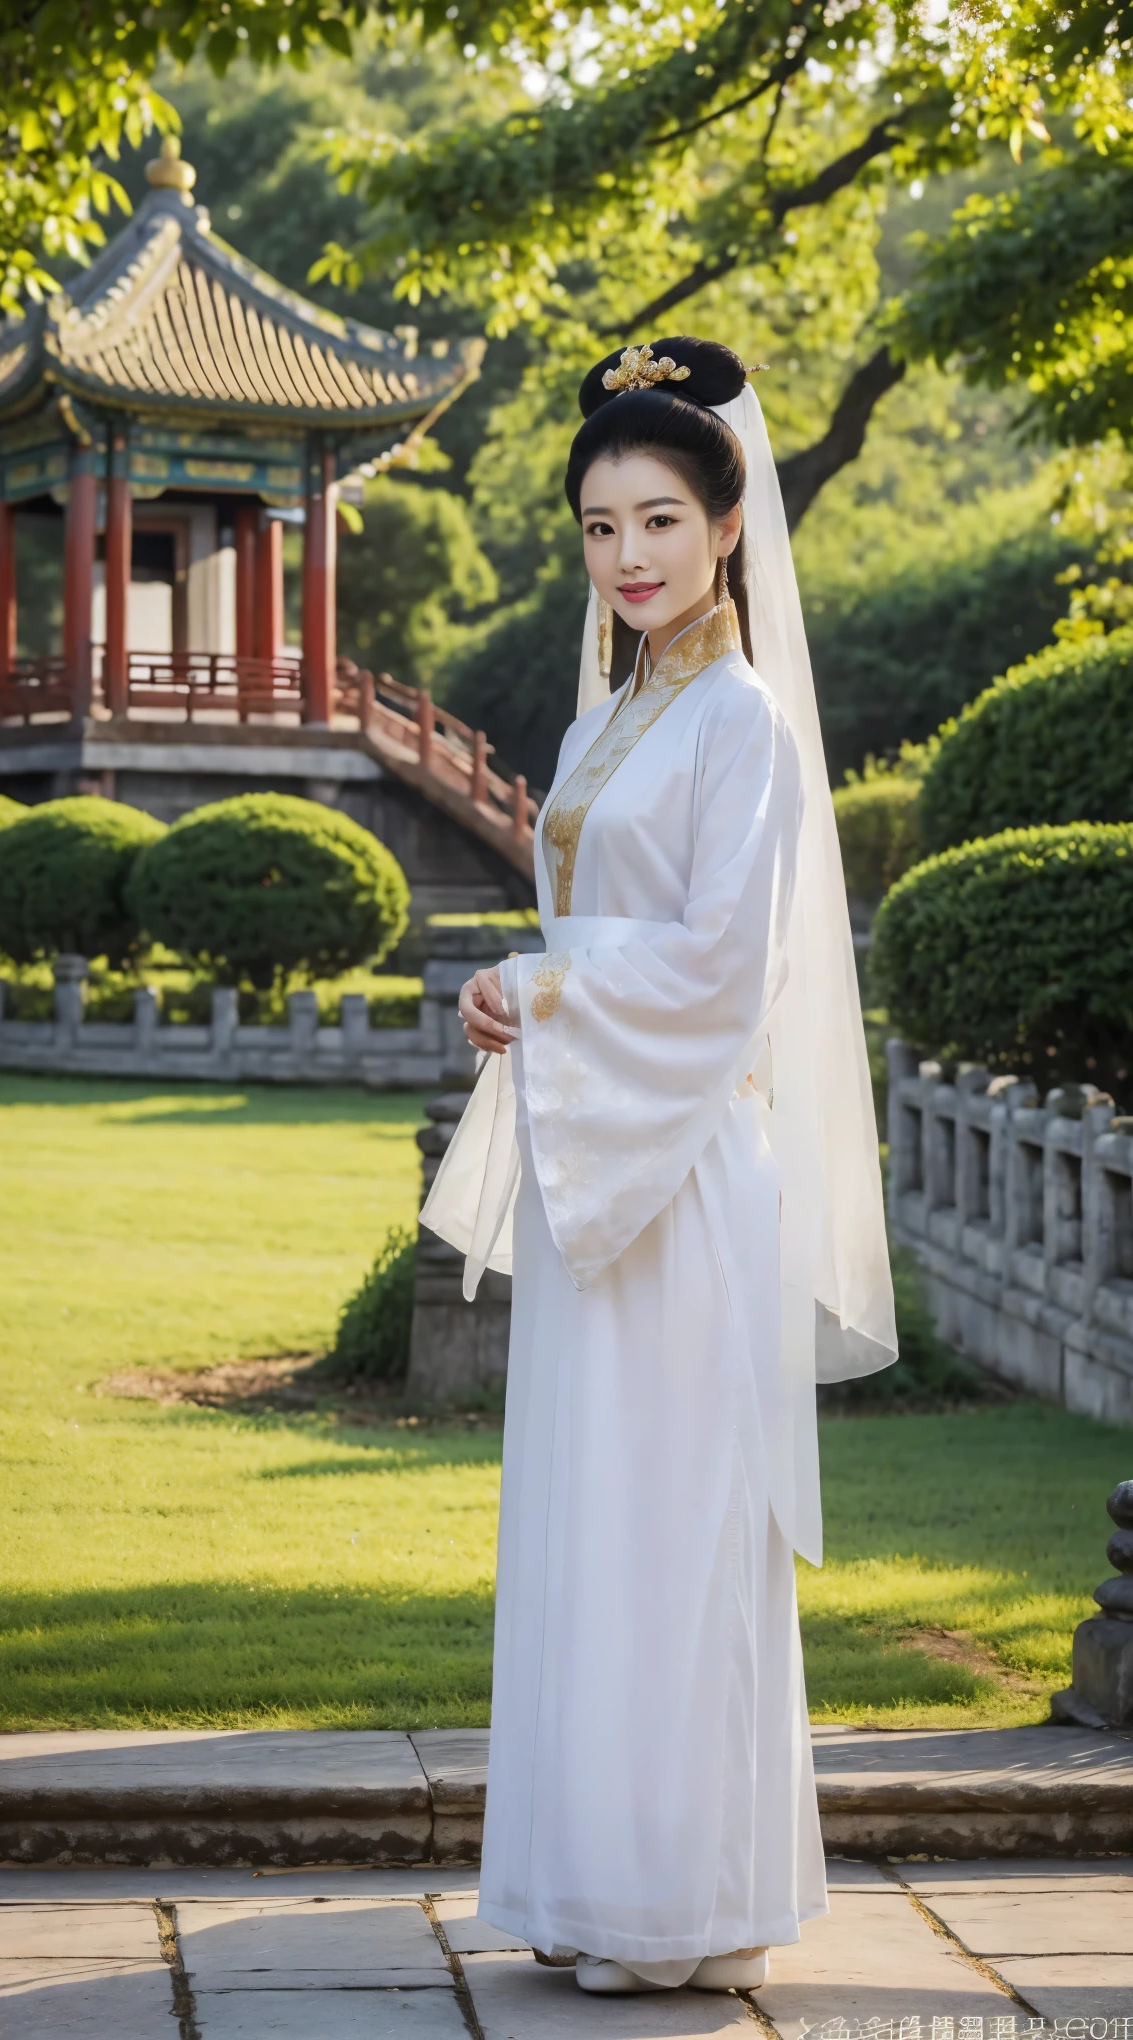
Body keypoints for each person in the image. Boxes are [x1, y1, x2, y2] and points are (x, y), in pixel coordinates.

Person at [422, 337, 897, 1995]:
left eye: (657, 521)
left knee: (677, 1523)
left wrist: (548, 987)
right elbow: (592, 933)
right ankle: (589, 1880)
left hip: (685, 1175)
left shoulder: (744, 722)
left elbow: (718, 970)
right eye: (598, 528)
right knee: (590, 1521)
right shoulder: (613, 711)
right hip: (592, 1162)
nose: (627, 557)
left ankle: (686, 1900)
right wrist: (514, 985)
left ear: (726, 520)